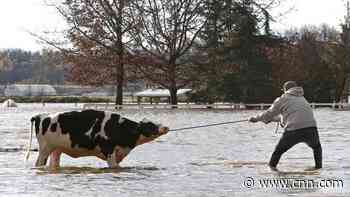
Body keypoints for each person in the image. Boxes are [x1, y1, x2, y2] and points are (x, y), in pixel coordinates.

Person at [248, 81, 322, 171]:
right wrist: (273, 119)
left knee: (278, 152)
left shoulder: (283, 98)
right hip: (311, 128)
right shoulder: (302, 98)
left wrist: (255, 119)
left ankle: (272, 170)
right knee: (316, 147)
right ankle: (318, 169)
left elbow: (269, 113)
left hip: (294, 130)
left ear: (285, 90)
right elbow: (292, 115)